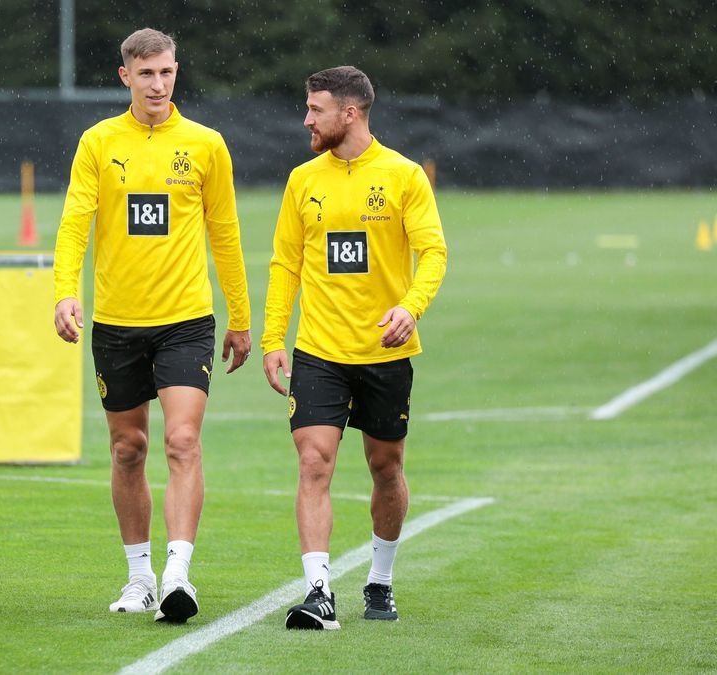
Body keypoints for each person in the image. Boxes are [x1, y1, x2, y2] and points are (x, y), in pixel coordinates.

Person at [53, 28, 252, 624]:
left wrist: (240, 319)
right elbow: (73, 224)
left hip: (186, 321)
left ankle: (177, 574)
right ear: (125, 78)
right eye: (146, 75)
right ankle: (138, 576)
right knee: (127, 448)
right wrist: (65, 292)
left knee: (182, 441)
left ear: (176, 72)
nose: (158, 85)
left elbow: (226, 234)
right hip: (116, 324)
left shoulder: (206, 145)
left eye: (166, 73)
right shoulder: (97, 143)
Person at [261, 66, 447, 630]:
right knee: (314, 461)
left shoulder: (403, 175)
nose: (306, 118)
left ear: (351, 113)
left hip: (385, 353)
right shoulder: (302, 180)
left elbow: (433, 253)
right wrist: (274, 338)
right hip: (319, 351)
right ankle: (319, 592)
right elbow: (285, 263)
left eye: (315, 109)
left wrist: (408, 308)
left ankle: (380, 580)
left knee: (385, 468)